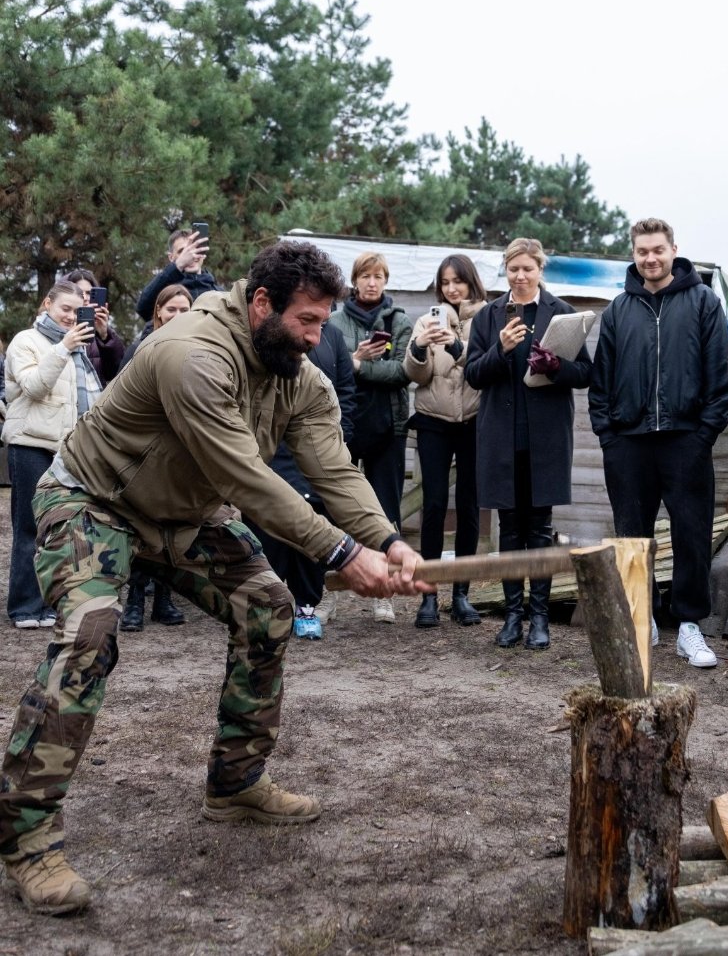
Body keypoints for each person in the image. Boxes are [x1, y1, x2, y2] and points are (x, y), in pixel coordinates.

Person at [0, 241, 428, 917]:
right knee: (91, 635)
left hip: (185, 514)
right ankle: (24, 839)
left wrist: (388, 540)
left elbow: (334, 470)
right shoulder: (191, 353)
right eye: (309, 322)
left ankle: (235, 783)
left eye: (324, 324)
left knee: (268, 607)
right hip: (94, 500)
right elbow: (246, 480)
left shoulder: (299, 374)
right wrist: (345, 555)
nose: (320, 339)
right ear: (262, 304)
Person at [588, 218, 728, 669]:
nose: (650, 258)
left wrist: (704, 433)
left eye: (658, 249)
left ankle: (689, 626)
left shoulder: (703, 302)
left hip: (685, 439)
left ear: (673, 250)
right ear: (634, 255)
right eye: (642, 251)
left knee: (692, 535)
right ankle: (641, 618)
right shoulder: (617, 310)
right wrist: (608, 436)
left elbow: (719, 378)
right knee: (633, 536)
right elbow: (600, 381)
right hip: (628, 444)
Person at [464, 237, 592, 651]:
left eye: (528, 268)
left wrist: (556, 368)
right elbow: (474, 375)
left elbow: (585, 373)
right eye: (513, 269)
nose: (520, 276)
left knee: (539, 529)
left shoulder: (563, 314)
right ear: (506, 271)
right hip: (501, 438)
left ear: (540, 269)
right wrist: (501, 350)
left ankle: (540, 618)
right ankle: (512, 616)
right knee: (510, 529)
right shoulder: (488, 316)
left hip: (546, 440)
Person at [247, 317, 356, 640]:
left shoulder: (333, 339)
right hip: (272, 445)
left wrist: (340, 437)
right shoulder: (268, 336)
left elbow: (346, 390)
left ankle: (307, 605)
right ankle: (269, 605)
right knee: (272, 526)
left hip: (314, 442)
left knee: (314, 524)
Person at [2, 281, 101, 631]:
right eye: (66, 309)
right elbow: (33, 386)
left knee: (58, 530)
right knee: (29, 527)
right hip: (29, 444)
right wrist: (63, 347)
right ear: (47, 304)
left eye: (78, 311)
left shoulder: (79, 351)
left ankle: (48, 603)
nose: (72, 317)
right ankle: (24, 607)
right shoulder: (25, 342)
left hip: (66, 450)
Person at [330, 252, 412, 624]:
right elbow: (327, 367)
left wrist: (361, 365)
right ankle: (323, 592)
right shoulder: (333, 321)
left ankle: (385, 595)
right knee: (330, 509)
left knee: (386, 511)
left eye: (378, 276)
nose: (372, 282)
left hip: (387, 427)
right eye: (365, 275)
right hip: (342, 426)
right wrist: (354, 358)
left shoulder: (399, 320)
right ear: (354, 280)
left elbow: (403, 371)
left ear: (386, 280)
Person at [405, 254, 487, 628]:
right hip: (433, 421)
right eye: (445, 282)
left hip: (474, 421)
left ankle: (462, 595)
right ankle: (428, 594)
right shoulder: (425, 319)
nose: (452, 288)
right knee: (434, 503)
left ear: (471, 282)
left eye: (458, 281)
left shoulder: (488, 317)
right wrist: (420, 348)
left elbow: (485, 368)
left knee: (470, 505)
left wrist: (457, 346)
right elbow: (415, 375)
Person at [117, 285, 194, 631]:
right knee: (138, 526)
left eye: (185, 309)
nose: (179, 315)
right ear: (159, 311)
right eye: (172, 309)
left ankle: (164, 600)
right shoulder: (141, 347)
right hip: (144, 452)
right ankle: (134, 601)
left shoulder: (197, 350)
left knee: (171, 527)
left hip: (180, 453)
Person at [136, 226, 220, 324]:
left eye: (195, 249)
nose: (191, 255)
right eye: (182, 251)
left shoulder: (218, 293)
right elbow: (143, 308)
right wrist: (178, 265)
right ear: (171, 257)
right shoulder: (163, 290)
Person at [65, 268, 126, 386]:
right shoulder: (60, 324)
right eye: (79, 292)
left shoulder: (102, 331)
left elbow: (113, 372)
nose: (85, 297)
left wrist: (104, 335)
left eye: (89, 293)